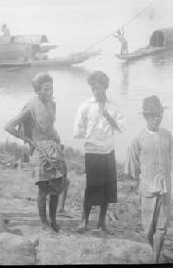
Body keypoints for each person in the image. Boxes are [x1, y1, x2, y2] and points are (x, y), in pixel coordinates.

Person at [4, 73, 66, 233]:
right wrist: (30, 141)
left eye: (51, 88)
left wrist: (57, 138)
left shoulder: (53, 104)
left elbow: (50, 125)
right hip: (40, 152)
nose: (49, 92)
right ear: (38, 90)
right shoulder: (31, 106)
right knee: (43, 190)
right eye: (46, 89)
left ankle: (53, 220)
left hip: (53, 149)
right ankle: (44, 222)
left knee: (56, 189)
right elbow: (9, 126)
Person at [73, 71, 125, 234]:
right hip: (93, 152)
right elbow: (78, 131)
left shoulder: (114, 106)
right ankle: (84, 220)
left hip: (108, 151)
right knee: (91, 187)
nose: (97, 91)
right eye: (94, 88)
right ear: (91, 88)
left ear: (106, 87)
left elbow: (121, 129)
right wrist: (92, 137)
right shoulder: (85, 106)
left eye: (100, 87)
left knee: (107, 189)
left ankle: (101, 222)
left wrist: (109, 118)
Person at [125, 95, 173, 263]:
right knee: (148, 228)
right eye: (151, 115)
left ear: (162, 114)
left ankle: (155, 259)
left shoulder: (167, 135)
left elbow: (170, 161)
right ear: (145, 116)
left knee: (162, 227)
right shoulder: (138, 138)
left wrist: (164, 178)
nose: (155, 118)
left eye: (158, 114)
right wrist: (142, 181)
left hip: (165, 188)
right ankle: (154, 250)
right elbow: (133, 165)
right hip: (147, 189)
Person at [57, 145, 72, 218]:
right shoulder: (58, 155)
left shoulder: (60, 155)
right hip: (60, 175)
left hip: (62, 175)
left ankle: (61, 209)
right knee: (62, 191)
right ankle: (60, 209)